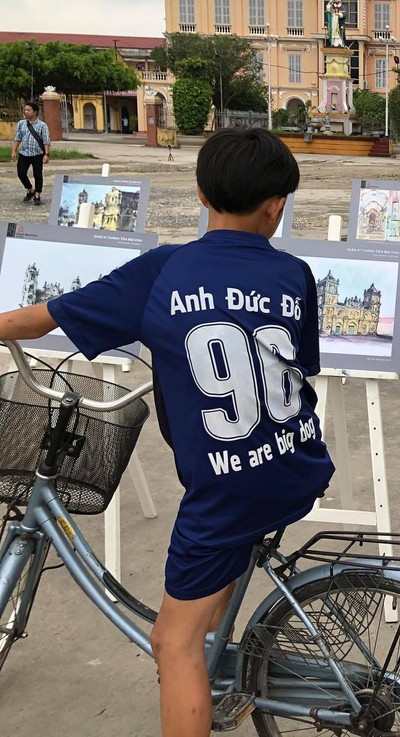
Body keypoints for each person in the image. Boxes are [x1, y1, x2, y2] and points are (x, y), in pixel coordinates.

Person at [0, 127, 335, 737]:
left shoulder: (165, 270)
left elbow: (44, 316)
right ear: (277, 205)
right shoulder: (295, 274)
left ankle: (195, 660)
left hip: (229, 488)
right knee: (212, 588)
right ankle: (218, 655)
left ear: (202, 193)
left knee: (171, 642)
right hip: (295, 459)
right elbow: (295, 367)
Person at [11, 101, 50, 205]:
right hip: (24, 153)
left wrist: (46, 154)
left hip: (37, 154)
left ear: (35, 112)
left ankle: (37, 195)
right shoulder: (21, 124)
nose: (26, 112)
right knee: (21, 173)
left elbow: (46, 140)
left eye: (28, 110)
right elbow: (18, 138)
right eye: (25, 110)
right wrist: (14, 150)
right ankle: (30, 190)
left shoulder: (42, 125)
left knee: (37, 174)